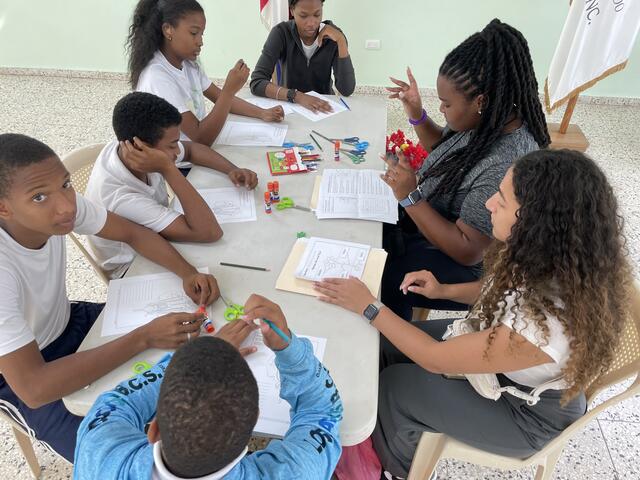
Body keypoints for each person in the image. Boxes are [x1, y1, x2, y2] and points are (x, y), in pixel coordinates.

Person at [315, 149, 631, 478]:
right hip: (510, 364)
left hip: (526, 414)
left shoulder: (545, 327)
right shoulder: (550, 256)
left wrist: (368, 305)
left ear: (538, 221)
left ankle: (394, 467)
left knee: (396, 389)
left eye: (503, 201)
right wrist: (444, 291)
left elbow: (433, 358)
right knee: (381, 348)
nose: (489, 203)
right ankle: (372, 436)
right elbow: (499, 291)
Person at [0, 133, 227, 461]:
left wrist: (187, 272)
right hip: (23, 374)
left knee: (197, 355)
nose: (65, 206)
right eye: (39, 197)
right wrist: (144, 337)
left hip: (71, 322)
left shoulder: (63, 210)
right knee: (118, 461)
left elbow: (132, 232)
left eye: (65, 184)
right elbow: (34, 388)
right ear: (3, 208)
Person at [381, 18, 550, 319]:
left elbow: (467, 249)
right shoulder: (487, 118)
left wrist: (410, 197)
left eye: (446, 104)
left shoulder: (504, 162)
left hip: (467, 267)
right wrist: (416, 114)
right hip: (434, 221)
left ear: (481, 101)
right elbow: (446, 151)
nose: (442, 111)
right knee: (373, 232)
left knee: (386, 277)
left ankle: (392, 354)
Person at [74, 294, 344, 480]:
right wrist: (288, 347)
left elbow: (118, 404)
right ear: (252, 427)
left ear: (154, 429)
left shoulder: (99, 449)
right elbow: (324, 410)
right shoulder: (294, 473)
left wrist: (202, 356)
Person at [85, 92, 258, 278]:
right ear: (140, 147)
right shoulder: (120, 197)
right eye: (172, 145)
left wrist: (231, 169)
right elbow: (209, 231)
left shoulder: (131, 148)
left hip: (157, 237)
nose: (177, 151)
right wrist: (168, 169)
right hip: (133, 269)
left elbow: (192, 149)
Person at [128, 0, 285, 149]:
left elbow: (218, 95)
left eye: (202, 34)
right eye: (194, 33)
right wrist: (229, 91)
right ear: (168, 30)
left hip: (196, 153)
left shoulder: (188, 63)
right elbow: (200, 138)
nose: (200, 41)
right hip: (177, 166)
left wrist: (262, 113)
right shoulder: (157, 77)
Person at [250, 0, 356, 113]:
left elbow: (346, 90)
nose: (311, 23)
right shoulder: (281, 33)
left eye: (317, 14)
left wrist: (341, 41)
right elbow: (257, 82)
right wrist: (297, 96)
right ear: (292, 10)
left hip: (323, 109)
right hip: (290, 106)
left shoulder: (333, 36)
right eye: (303, 16)